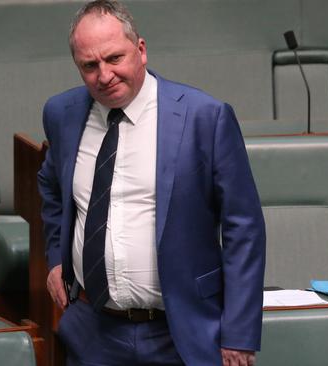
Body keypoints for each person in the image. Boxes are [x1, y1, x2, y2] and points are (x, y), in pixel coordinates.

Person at [37, 1, 266, 365]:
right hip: (94, 332)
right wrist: (55, 258)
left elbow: (244, 227)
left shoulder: (204, 117)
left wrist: (238, 334)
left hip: (182, 332)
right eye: (89, 66)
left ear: (140, 50)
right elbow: (51, 187)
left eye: (114, 58)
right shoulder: (62, 114)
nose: (104, 75)